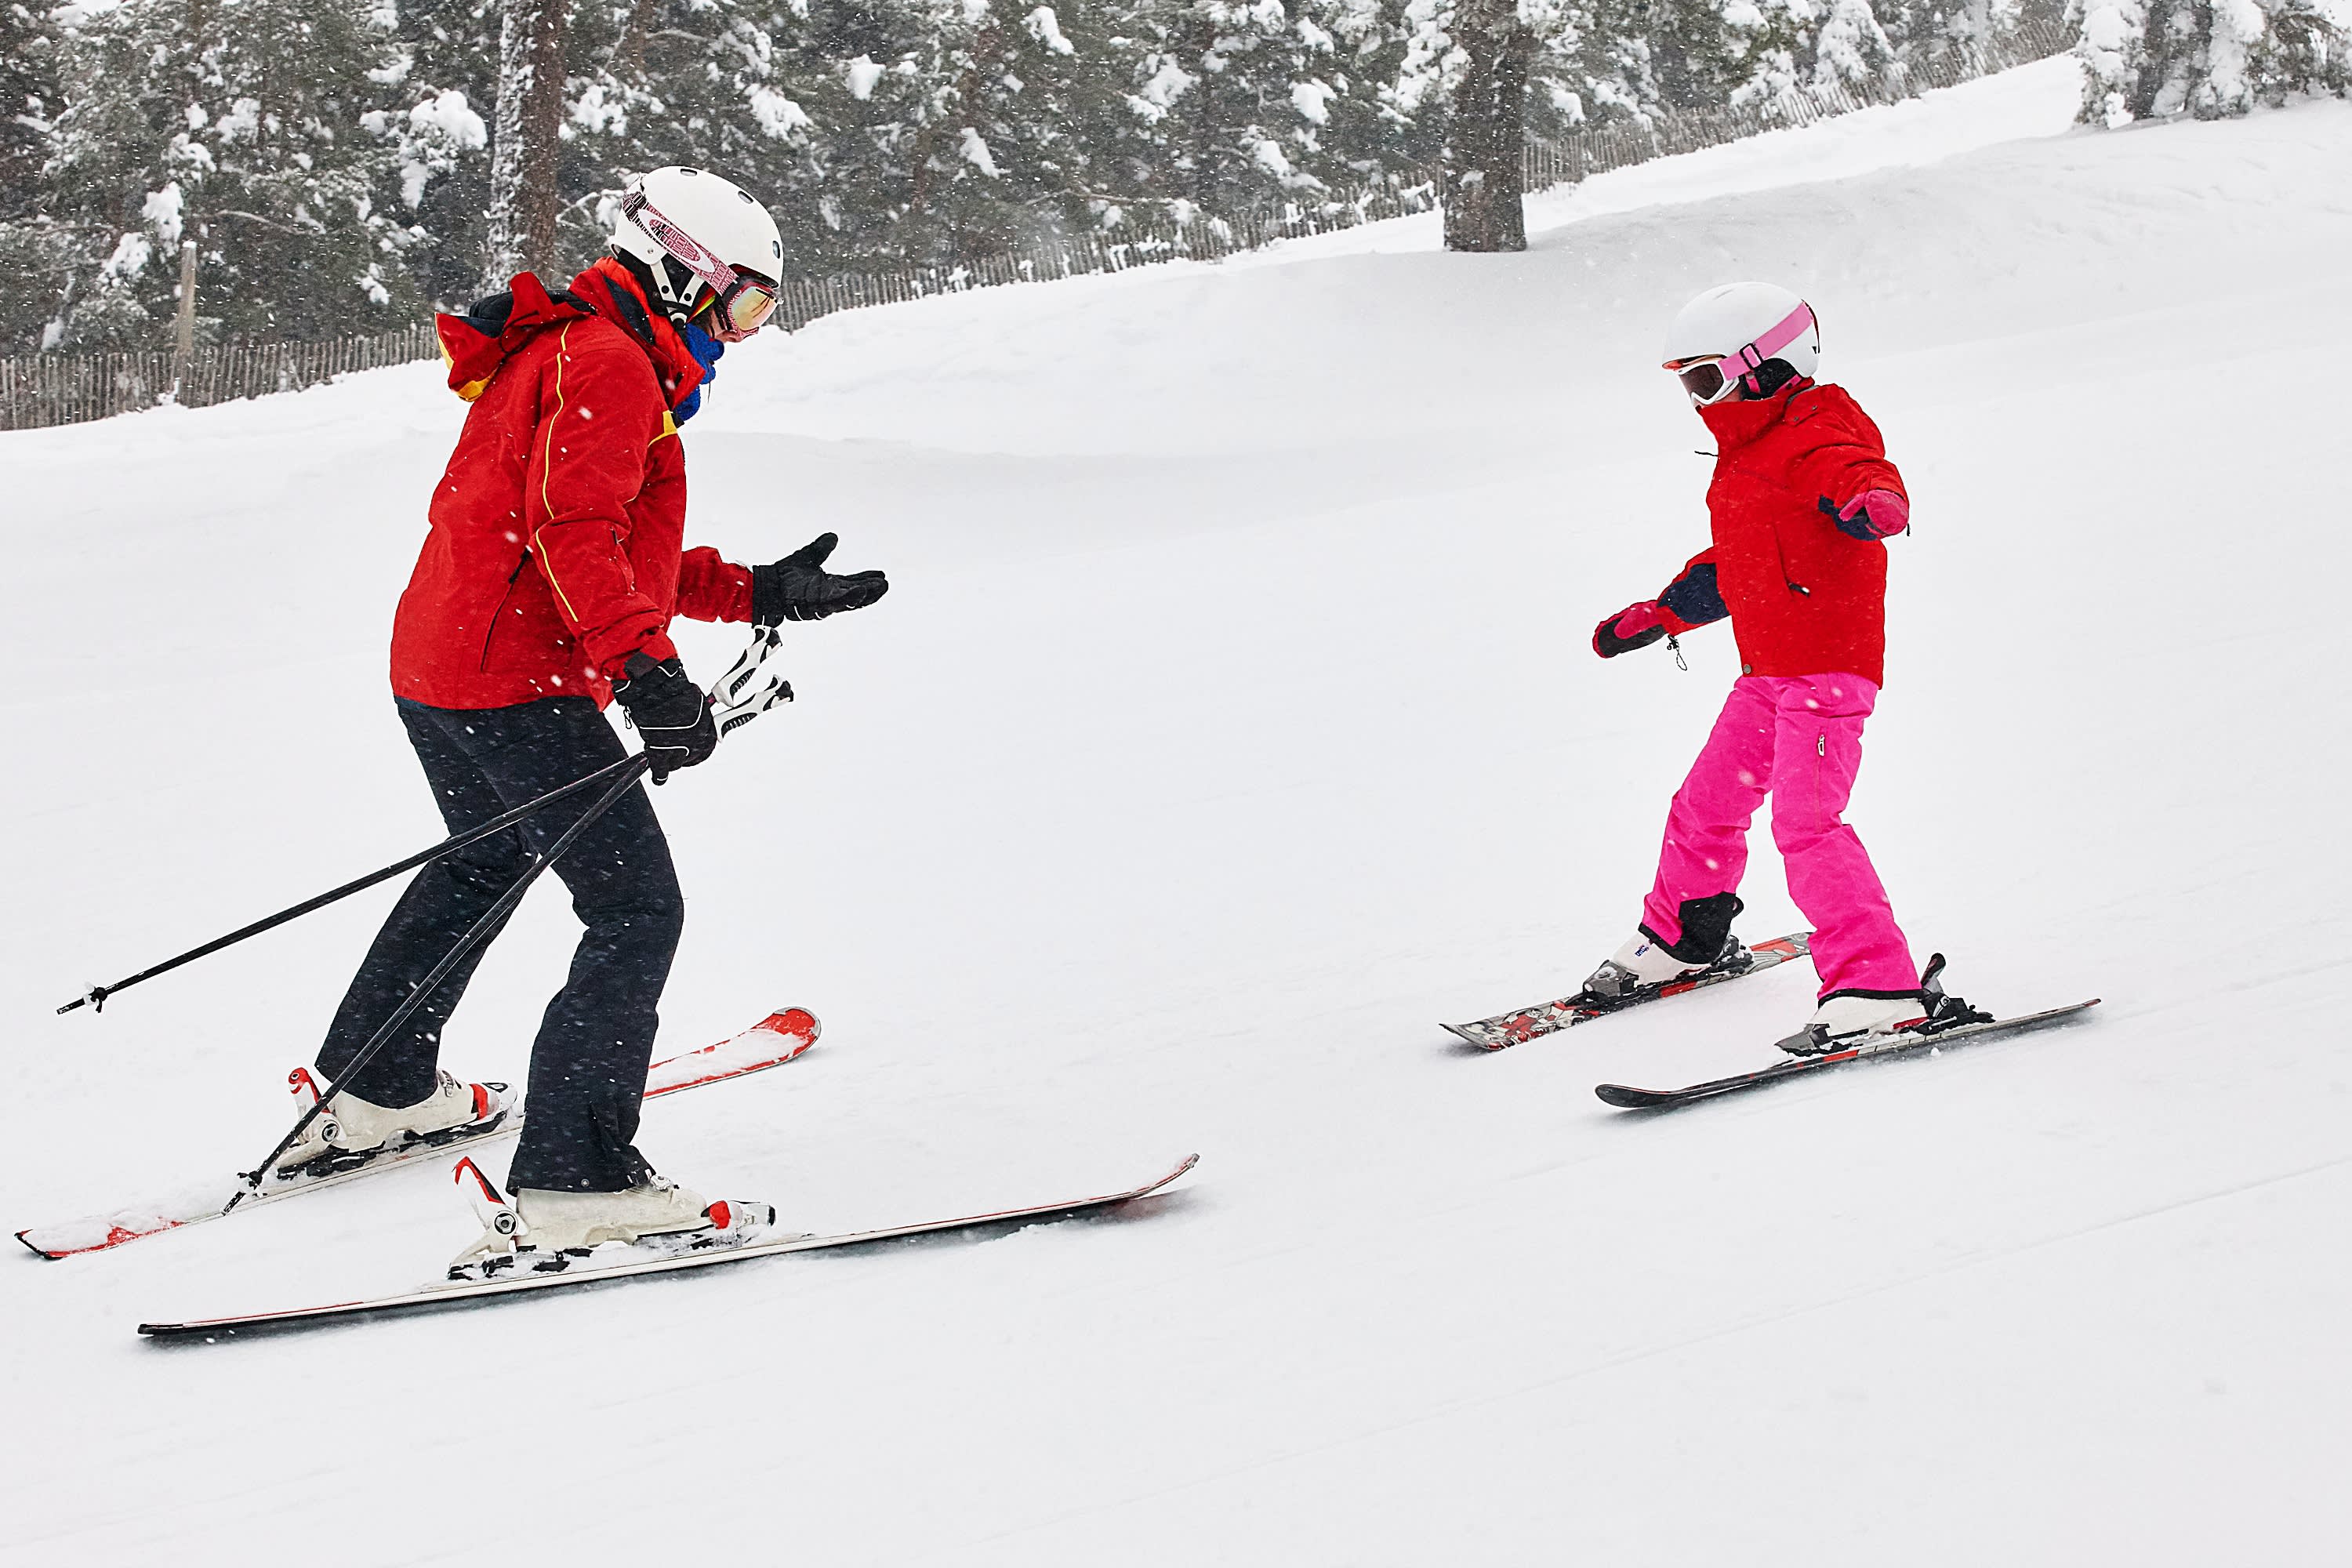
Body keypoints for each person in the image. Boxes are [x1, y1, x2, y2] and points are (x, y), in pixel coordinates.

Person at [278, 166, 888, 1264]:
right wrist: (648, 678)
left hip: (441, 664)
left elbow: (599, 542)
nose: (743, 335)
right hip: (515, 679)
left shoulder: (576, 350)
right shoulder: (606, 361)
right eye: (743, 305)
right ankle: (576, 1177)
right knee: (635, 910)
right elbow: (576, 539)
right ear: (684, 272)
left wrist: (753, 589)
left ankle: (374, 1089)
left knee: (481, 860)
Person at [1585, 281, 1933, 1057]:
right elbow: (1737, 563)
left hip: (1828, 671)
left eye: (1705, 379)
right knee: (1705, 802)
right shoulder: (1747, 457)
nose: (1697, 399)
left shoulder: (1814, 429)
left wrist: (1875, 499)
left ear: (1763, 365)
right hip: (1767, 672)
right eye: (1688, 384)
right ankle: (1686, 935)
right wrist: (1660, 614)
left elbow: (1858, 472)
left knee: (1807, 824)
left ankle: (1878, 985)